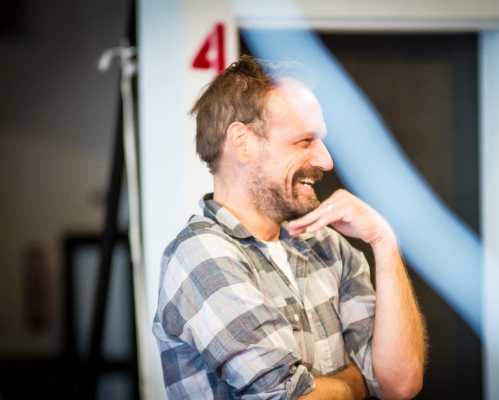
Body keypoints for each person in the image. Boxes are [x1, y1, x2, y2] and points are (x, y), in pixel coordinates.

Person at [153, 55, 427, 400]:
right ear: (242, 142)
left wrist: (384, 241)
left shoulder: (328, 245)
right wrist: (356, 381)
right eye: (304, 140)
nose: (326, 161)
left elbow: (399, 384)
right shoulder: (201, 255)